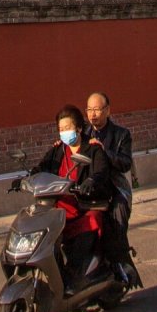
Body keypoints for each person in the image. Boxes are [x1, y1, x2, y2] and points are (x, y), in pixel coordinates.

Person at [31, 104, 111, 292]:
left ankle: (78, 275)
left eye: (67, 128)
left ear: (79, 128)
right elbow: (42, 167)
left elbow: (101, 172)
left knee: (91, 222)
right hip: (58, 208)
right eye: (61, 129)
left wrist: (91, 181)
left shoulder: (92, 149)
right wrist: (26, 178)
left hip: (85, 206)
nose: (64, 133)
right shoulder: (58, 150)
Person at [85, 91, 139, 285]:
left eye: (97, 110)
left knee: (116, 221)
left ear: (107, 110)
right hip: (90, 189)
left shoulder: (121, 134)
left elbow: (125, 163)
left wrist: (103, 152)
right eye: (89, 110)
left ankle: (121, 266)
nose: (93, 115)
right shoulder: (83, 134)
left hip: (115, 190)